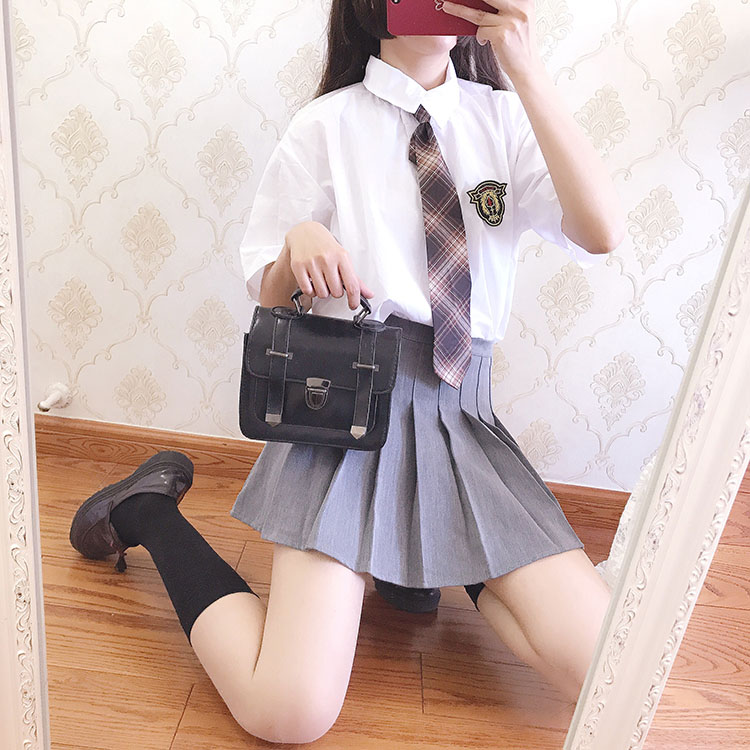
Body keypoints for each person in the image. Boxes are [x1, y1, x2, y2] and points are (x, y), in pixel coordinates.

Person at [69, 0, 623, 744]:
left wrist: (524, 67)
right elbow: (267, 290)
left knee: (610, 669)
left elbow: (601, 231)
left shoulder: (504, 119)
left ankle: (428, 546)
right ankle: (145, 510)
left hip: (462, 419)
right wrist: (297, 243)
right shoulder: (326, 124)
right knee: (287, 711)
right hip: (348, 423)